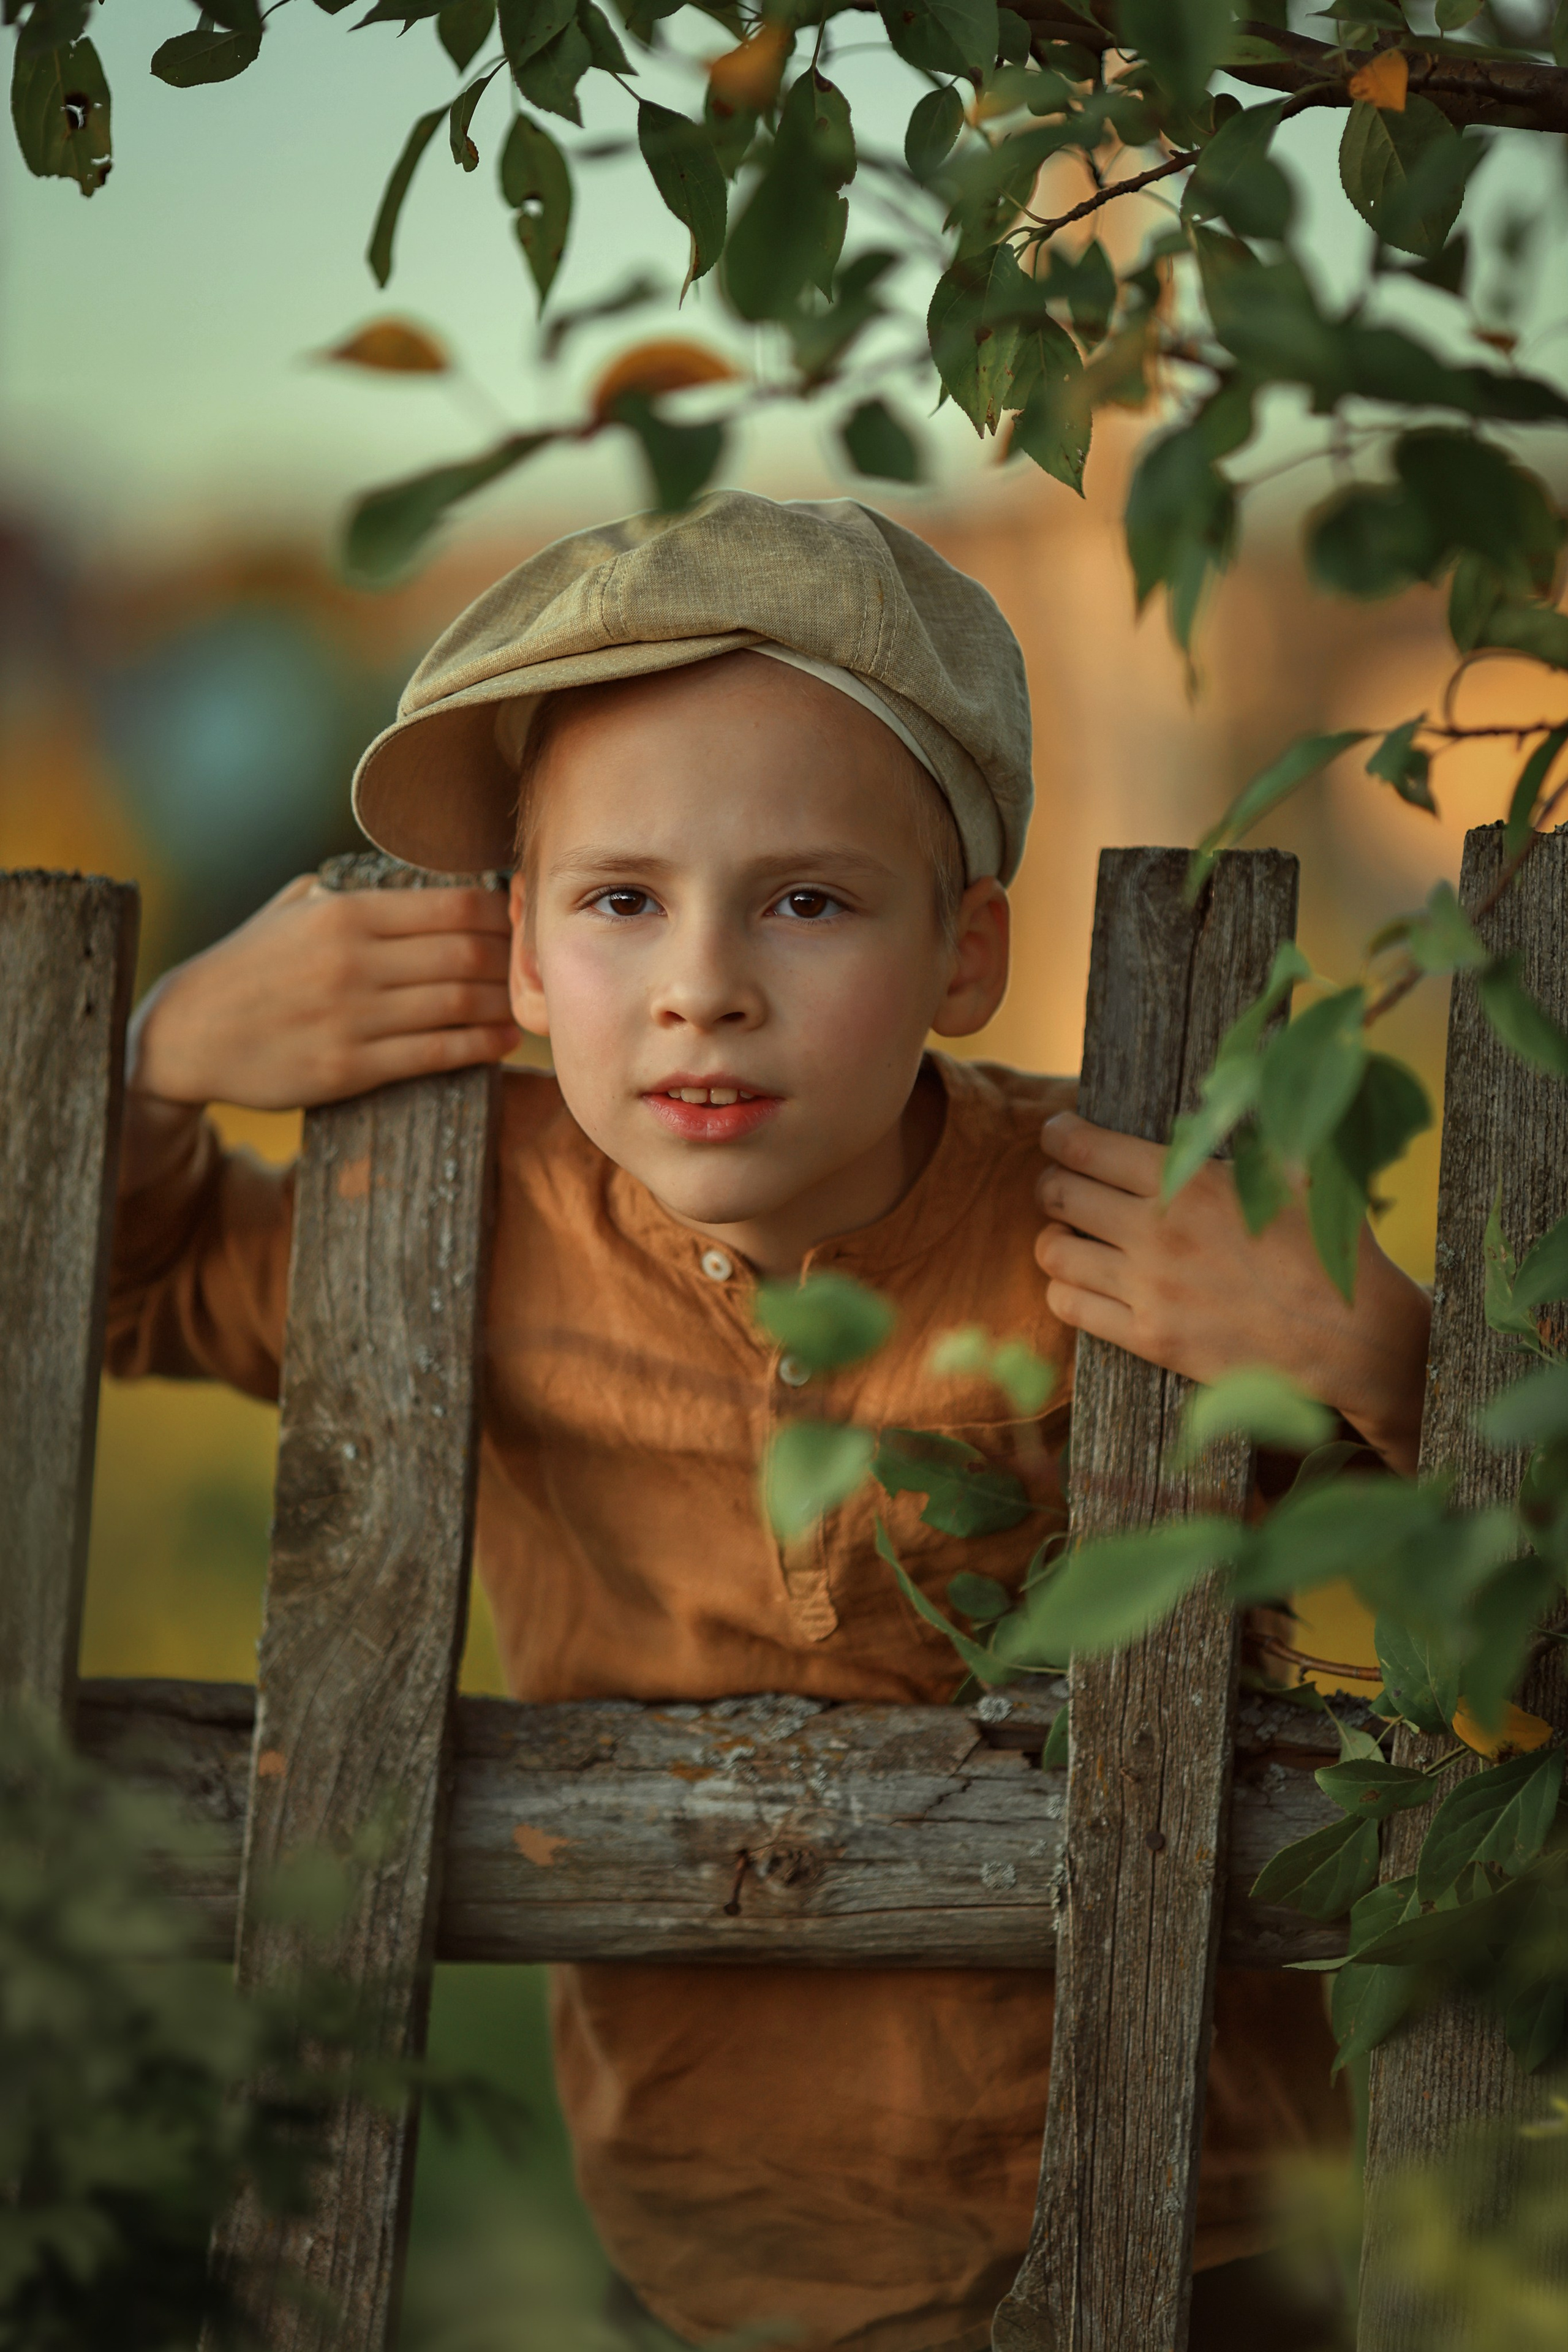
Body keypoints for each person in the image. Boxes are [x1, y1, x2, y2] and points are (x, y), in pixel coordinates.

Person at [108, 493, 1431, 2352]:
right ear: (516, 959)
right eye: (620, 899)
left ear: (966, 956)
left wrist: (1386, 1353)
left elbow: (1492, 1611)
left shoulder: (1119, 1235)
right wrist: (163, 1047)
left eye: (806, 898)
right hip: (730, 2250)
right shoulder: (452, 1224)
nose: (703, 981)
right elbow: (120, 1286)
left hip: (1192, 2227)